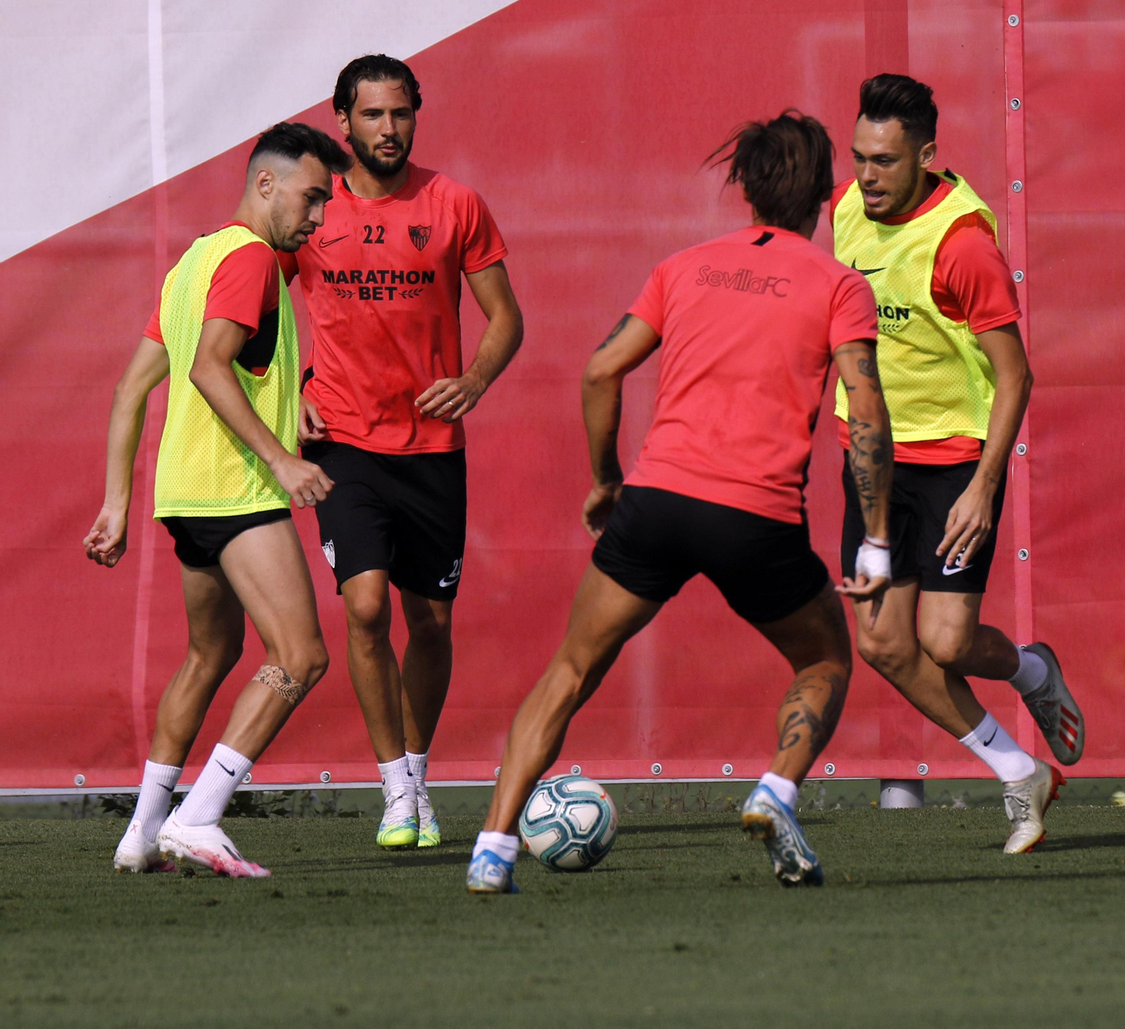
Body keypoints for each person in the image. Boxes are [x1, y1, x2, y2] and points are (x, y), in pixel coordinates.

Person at [465, 110, 893, 894]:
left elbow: (599, 371)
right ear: (828, 196)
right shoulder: (840, 285)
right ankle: (776, 790)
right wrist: (877, 538)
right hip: (754, 515)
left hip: (656, 500)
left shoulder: (685, 266)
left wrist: (605, 479)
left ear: (747, 191)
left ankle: (492, 849)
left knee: (569, 669)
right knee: (825, 657)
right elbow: (864, 406)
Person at [86, 123, 350, 877]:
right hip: (238, 491)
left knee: (211, 654)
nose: (319, 216)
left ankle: (139, 833)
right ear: (264, 185)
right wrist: (281, 459)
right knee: (300, 655)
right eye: (311, 197)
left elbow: (130, 387)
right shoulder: (249, 257)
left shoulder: (192, 260)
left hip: (186, 494)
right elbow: (208, 366)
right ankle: (197, 817)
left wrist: (117, 503)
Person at [832, 74, 1084, 854]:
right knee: (880, 643)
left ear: (927, 155)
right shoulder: (845, 211)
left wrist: (984, 483)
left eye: (884, 160)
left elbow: (1016, 375)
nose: (868, 175)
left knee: (944, 641)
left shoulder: (963, 244)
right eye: (859, 157)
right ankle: (1018, 771)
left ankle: (1032, 672)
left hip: (953, 464)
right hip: (874, 458)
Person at [282, 55, 525, 850]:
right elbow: (255, 308)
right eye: (373, 115)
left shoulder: (455, 202)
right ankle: (392, 787)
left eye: (401, 114)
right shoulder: (314, 208)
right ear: (343, 120)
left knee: (431, 622)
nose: (388, 129)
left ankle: (417, 778)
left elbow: (505, 319)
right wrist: (291, 394)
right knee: (364, 606)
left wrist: (475, 379)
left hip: (432, 448)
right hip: (345, 442)